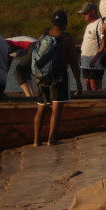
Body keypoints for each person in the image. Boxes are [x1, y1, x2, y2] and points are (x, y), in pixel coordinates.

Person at [33, 10, 82, 146]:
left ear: (51, 23)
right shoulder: (67, 39)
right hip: (59, 78)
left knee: (41, 110)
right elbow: (73, 62)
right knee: (56, 110)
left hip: (42, 77)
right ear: (65, 24)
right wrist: (78, 83)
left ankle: (36, 141)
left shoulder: (43, 36)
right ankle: (51, 140)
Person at [76, 2, 106, 92]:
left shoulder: (100, 23)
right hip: (85, 63)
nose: (83, 16)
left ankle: (99, 104)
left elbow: (105, 41)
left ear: (93, 12)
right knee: (88, 84)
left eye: (85, 13)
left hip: (95, 63)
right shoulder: (89, 25)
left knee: (95, 86)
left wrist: (96, 58)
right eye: (82, 14)